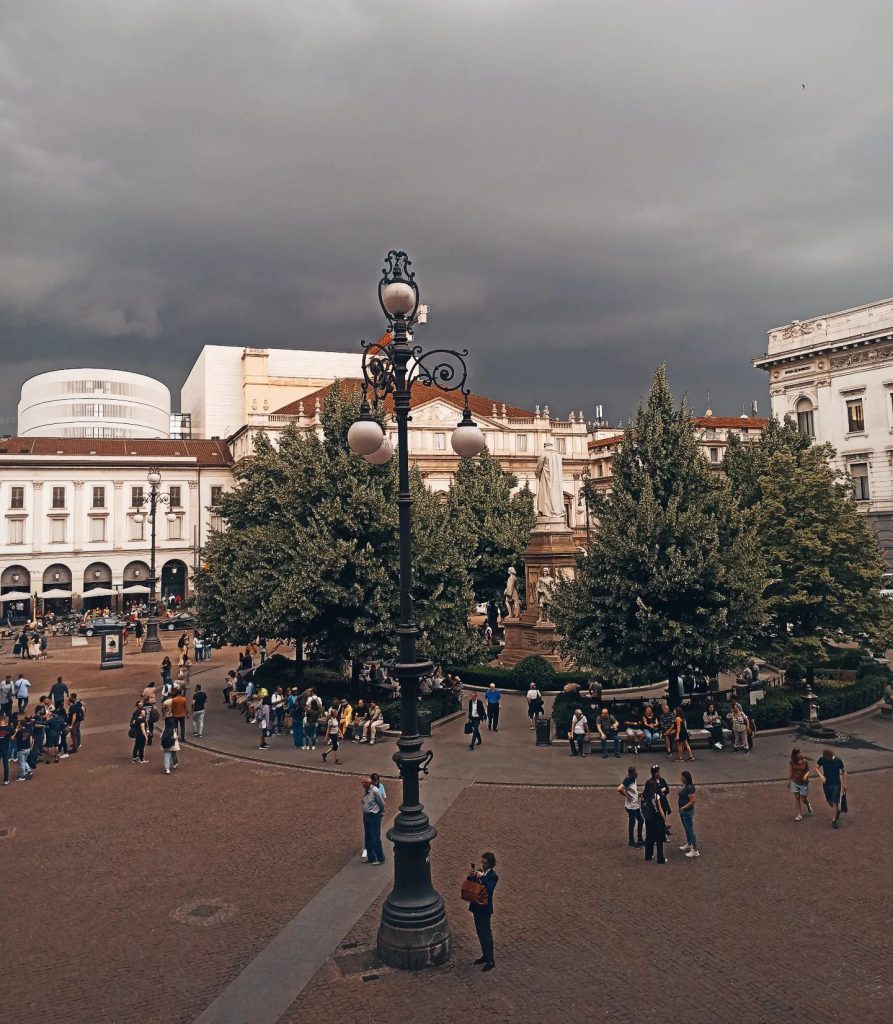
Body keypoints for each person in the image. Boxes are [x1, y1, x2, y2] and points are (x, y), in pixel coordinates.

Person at [468, 852, 498, 971]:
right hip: (477, 907)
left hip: (485, 909)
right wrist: (471, 876)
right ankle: (485, 955)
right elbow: (471, 882)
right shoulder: (481, 872)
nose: (483, 865)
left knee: (486, 934)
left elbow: (490, 889)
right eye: (482, 862)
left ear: (489, 863)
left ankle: (490, 960)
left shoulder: (493, 876)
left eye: (484, 863)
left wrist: (482, 877)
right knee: (480, 933)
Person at [815, 749, 847, 828]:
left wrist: (845, 784)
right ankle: (837, 811)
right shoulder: (822, 759)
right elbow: (816, 768)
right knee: (829, 800)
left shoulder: (838, 761)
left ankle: (834, 820)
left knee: (835, 801)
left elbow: (844, 772)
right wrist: (820, 775)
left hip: (836, 784)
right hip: (826, 783)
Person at [642, 768, 667, 863]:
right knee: (659, 838)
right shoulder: (656, 796)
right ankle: (660, 858)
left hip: (648, 818)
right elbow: (660, 808)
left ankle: (648, 855)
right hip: (657, 818)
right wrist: (664, 819)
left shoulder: (644, 796)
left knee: (649, 837)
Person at [618, 765, 645, 848]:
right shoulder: (628, 780)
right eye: (635, 772)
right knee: (632, 823)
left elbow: (633, 791)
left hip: (635, 806)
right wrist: (627, 796)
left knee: (640, 820)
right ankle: (631, 841)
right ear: (631, 773)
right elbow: (619, 789)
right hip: (631, 807)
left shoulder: (632, 779)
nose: (637, 774)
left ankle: (639, 839)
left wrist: (640, 793)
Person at [361, 776, 386, 864]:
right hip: (366, 816)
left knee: (375, 837)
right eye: (362, 783)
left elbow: (381, 803)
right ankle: (371, 857)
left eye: (364, 783)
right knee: (368, 837)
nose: (362, 785)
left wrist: (381, 811)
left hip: (374, 816)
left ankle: (380, 858)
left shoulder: (375, 791)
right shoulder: (366, 791)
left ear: (369, 783)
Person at [678, 770, 699, 857]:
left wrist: (684, 807)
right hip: (684, 812)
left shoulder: (690, 787)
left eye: (683, 778)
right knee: (687, 829)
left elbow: (692, 801)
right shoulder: (685, 786)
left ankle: (695, 850)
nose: (681, 779)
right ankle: (689, 844)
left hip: (687, 812)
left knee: (690, 830)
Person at [0, 715, 12, 785]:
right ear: (5, 721)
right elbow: (12, 738)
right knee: (6, 765)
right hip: (6, 749)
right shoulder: (9, 728)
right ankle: (6, 780)